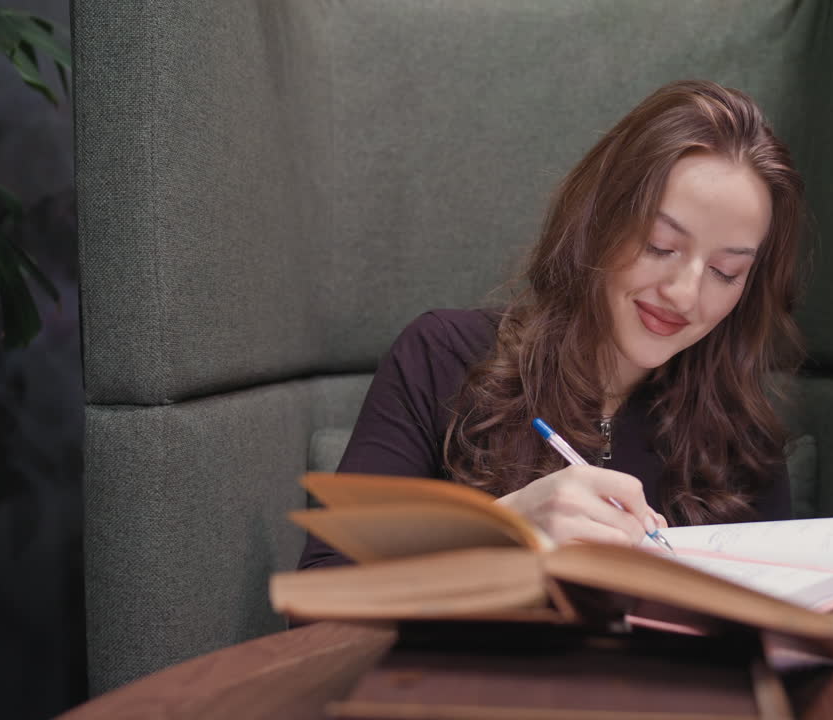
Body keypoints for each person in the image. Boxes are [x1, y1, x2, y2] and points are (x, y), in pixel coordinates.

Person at [299, 79, 805, 570]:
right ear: (599, 219)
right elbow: (321, 603)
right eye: (659, 245)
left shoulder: (742, 437)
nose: (684, 294)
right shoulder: (441, 358)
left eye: (725, 272)